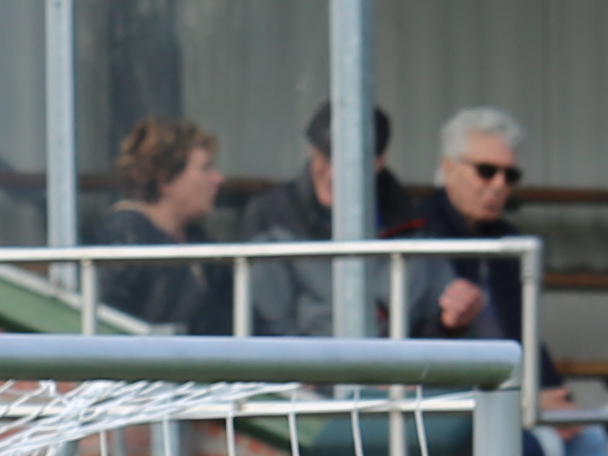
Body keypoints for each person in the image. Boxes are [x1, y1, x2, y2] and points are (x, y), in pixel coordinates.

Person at [401, 107, 608, 456]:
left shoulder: (507, 239)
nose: (499, 184)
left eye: (510, 175)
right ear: (448, 167)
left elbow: (524, 334)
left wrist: (557, 397)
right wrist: (526, 396)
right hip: (464, 411)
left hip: (525, 404)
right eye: (486, 171)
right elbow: (414, 343)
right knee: (542, 452)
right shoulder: (417, 236)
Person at [232, 101, 423, 339]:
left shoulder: (411, 224)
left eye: (349, 163)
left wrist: (450, 322)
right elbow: (266, 323)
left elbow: (425, 322)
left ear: (378, 162)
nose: (333, 173)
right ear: (311, 152)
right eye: (325, 157)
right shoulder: (271, 216)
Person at [83, 114, 236, 338]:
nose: (218, 179)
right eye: (205, 168)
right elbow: (110, 327)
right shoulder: (126, 236)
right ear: (165, 178)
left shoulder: (199, 240)